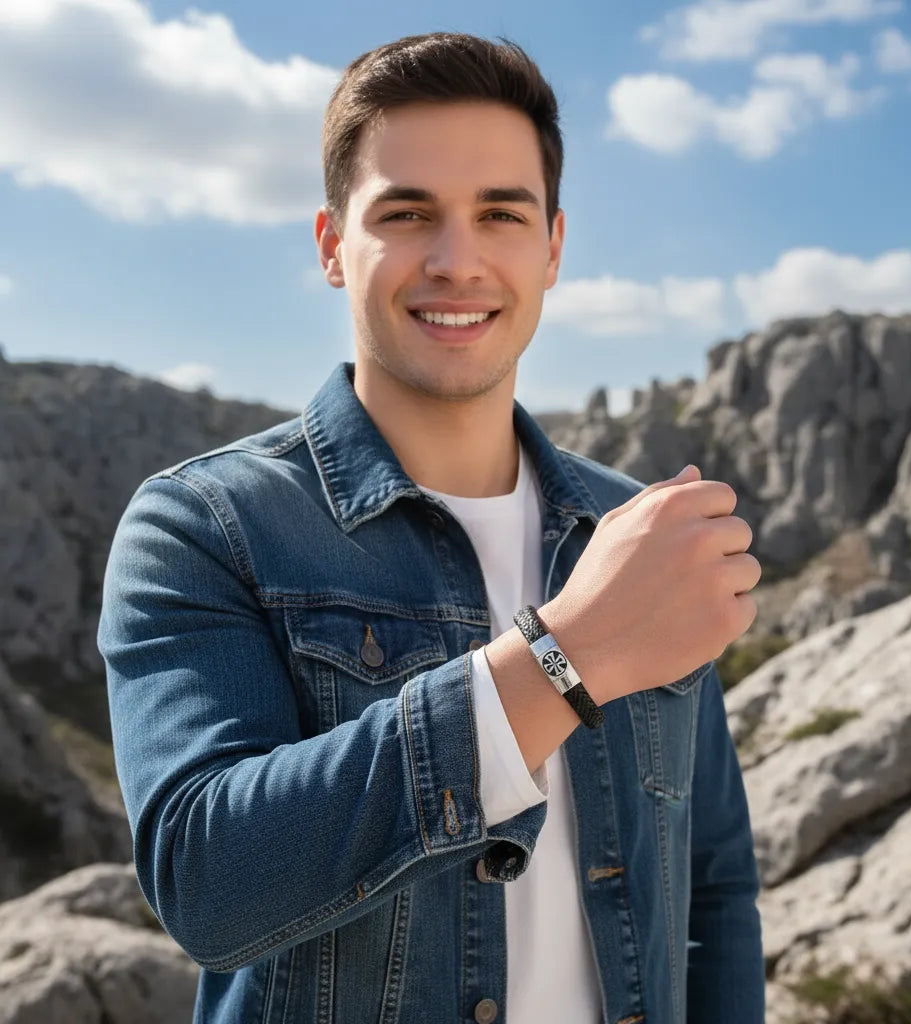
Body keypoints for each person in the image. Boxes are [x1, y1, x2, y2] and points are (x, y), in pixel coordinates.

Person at [98, 32, 764, 1024]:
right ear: (331, 246)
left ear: (552, 247)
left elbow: (710, 890)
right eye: (407, 215)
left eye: (500, 214)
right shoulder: (204, 526)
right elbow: (207, 882)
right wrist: (563, 658)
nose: (458, 262)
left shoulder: (636, 531)